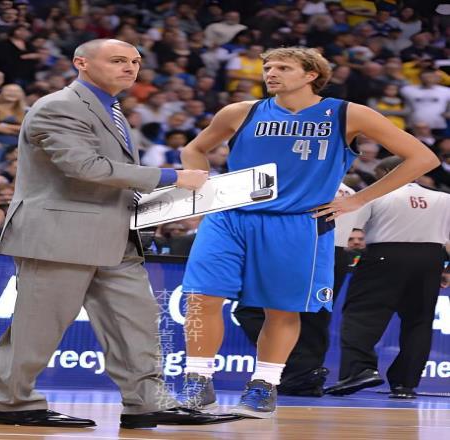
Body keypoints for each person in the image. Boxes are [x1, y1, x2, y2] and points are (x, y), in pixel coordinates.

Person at [0, 39, 239, 430]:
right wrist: (171, 177)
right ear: (80, 62)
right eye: (117, 60)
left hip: (115, 235)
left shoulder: (110, 108)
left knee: (137, 322)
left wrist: (164, 200)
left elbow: (110, 177)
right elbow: (85, 167)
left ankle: (147, 402)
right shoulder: (57, 106)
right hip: (60, 236)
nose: (129, 67)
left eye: (135, 61)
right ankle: (9, 403)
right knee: (38, 328)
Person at [176, 46, 439, 419]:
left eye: (283, 67)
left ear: (311, 74)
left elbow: (423, 158)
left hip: (296, 221)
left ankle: (264, 384)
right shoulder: (240, 112)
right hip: (230, 217)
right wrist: (205, 193)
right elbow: (194, 149)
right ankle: (197, 381)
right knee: (201, 297)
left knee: (281, 309)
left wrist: (358, 199)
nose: (271, 73)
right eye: (268, 67)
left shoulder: (347, 113)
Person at [325, 156, 450, 399]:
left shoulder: (376, 195)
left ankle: (360, 370)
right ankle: (405, 384)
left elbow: (350, 229)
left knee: (361, 315)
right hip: (430, 259)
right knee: (419, 322)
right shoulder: (443, 198)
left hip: (384, 255)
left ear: (387, 173)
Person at [234, 183, 361, 397]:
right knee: (316, 315)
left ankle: (294, 366)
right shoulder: (350, 192)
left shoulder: (302, 182)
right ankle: (307, 374)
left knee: (254, 309)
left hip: (297, 248)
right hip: (335, 254)